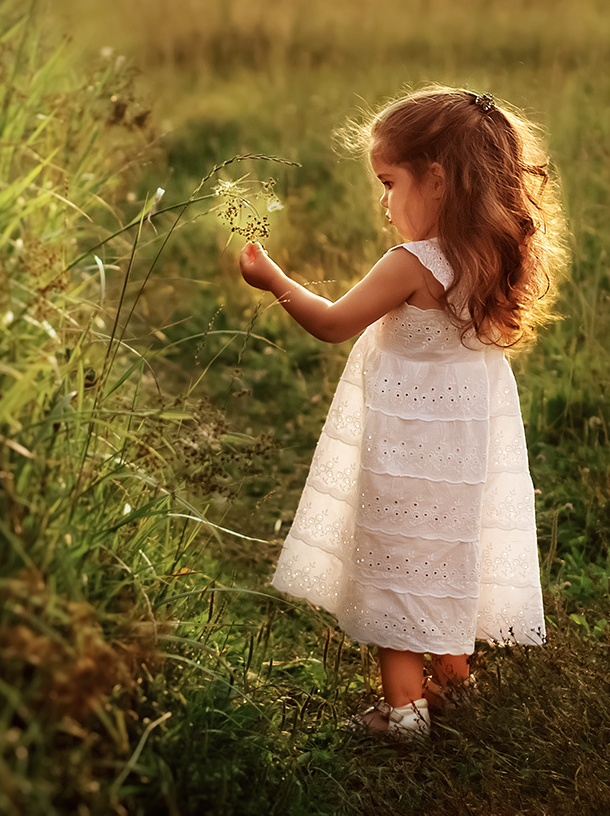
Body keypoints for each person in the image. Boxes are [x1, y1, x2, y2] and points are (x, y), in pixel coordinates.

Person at [238, 85, 566, 737]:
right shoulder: (495, 255)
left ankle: (404, 713)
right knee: (445, 556)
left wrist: (273, 279)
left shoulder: (411, 263)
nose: (384, 203)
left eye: (389, 183)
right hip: (464, 452)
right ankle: (456, 686)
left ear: (437, 180)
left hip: (406, 449)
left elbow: (332, 324)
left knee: (397, 566)